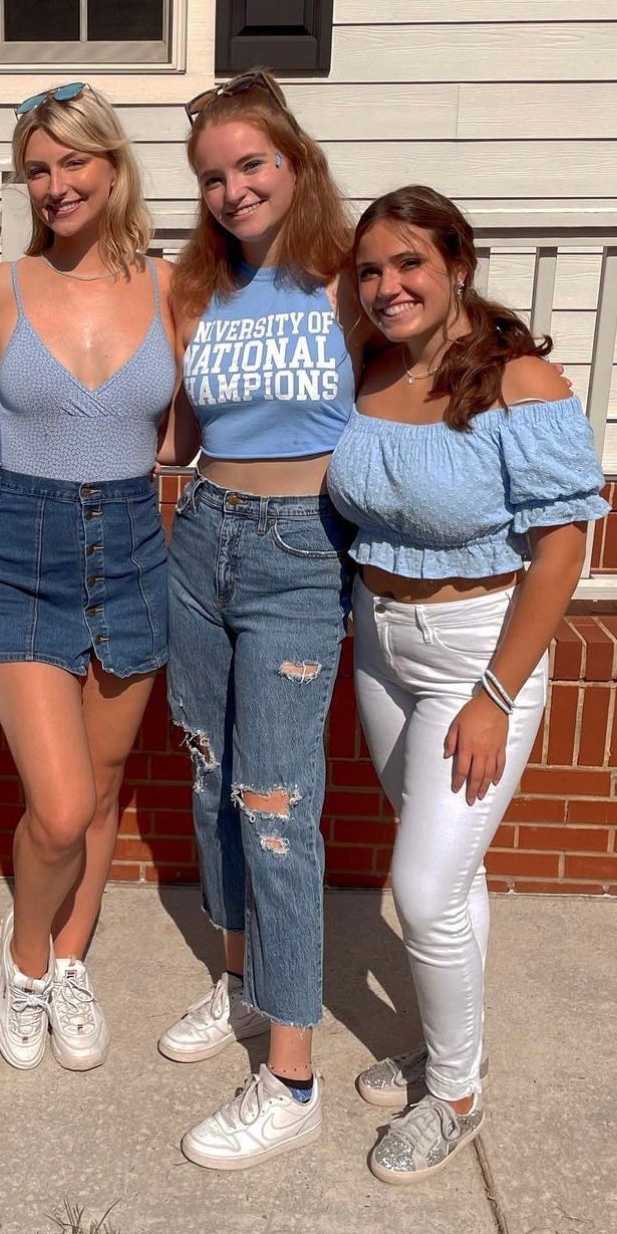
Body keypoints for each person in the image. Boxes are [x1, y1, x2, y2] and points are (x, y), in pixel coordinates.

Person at [326, 185, 608, 1182]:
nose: (387, 285)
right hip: (380, 639)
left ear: (458, 263)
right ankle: (453, 1049)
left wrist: (495, 690)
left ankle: (456, 1096)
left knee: (422, 885)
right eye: (370, 270)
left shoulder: (519, 382)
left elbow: (564, 550)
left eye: (409, 264)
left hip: (477, 650)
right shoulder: (371, 368)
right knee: (456, 876)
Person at [157, 69, 375, 1169]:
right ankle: (243, 981)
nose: (233, 189)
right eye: (212, 177)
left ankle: (292, 1078)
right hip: (203, 536)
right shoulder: (195, 291)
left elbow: (441, 368)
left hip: (300, 555)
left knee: (276, 808)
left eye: (251, 165)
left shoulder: (349, 282)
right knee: (207, 776)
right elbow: (176, 432)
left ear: (295, 161)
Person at [0, 84, 179, 1072]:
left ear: (113, 164)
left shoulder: (174, 284)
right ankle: (22, 960)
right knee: (54, 803)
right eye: (37, 169)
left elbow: (182, 428)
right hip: (24, 553)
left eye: (72, 163)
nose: (55, 184)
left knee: (100, 789)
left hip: (137, 544)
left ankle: (69, 956)